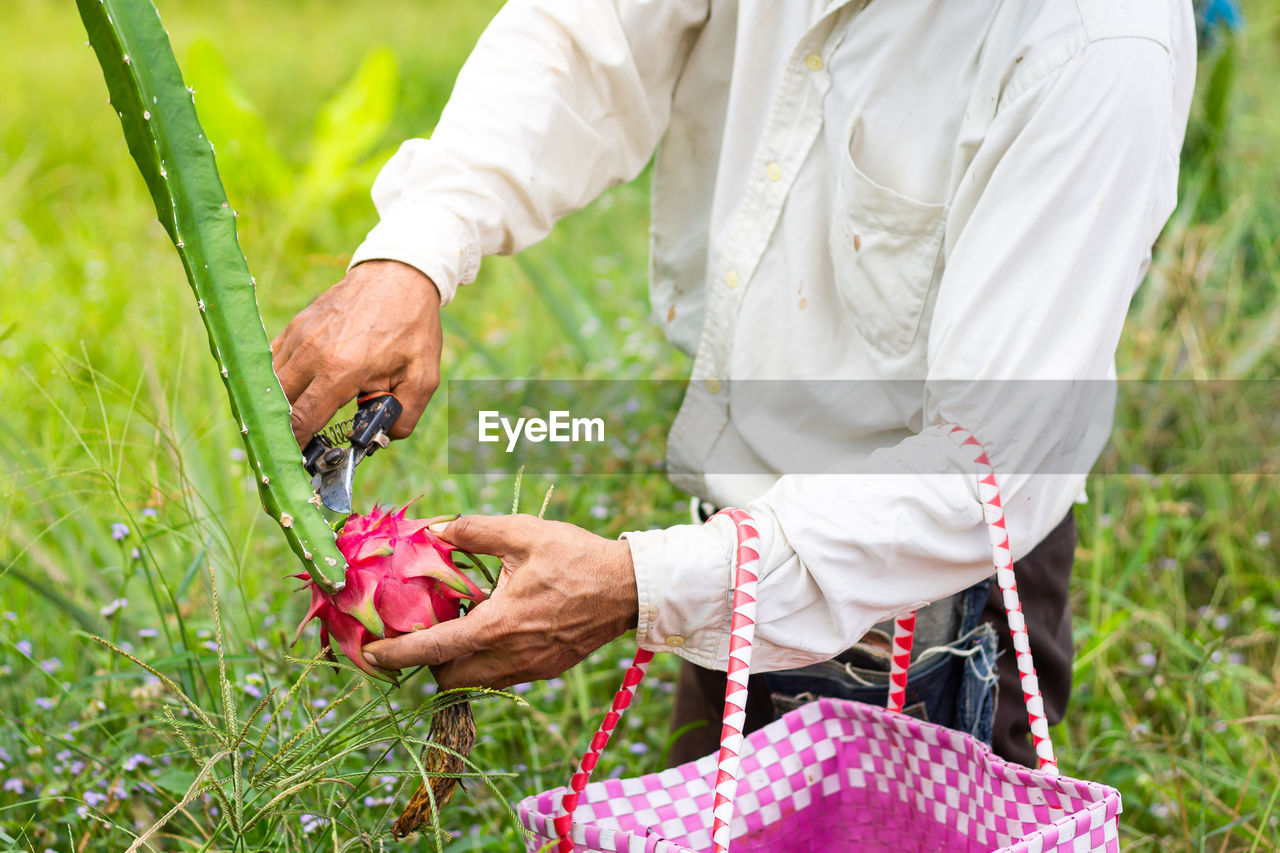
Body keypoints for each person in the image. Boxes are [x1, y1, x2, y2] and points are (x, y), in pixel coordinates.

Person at [271, 0, 1195, 767]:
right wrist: (415, 254)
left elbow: (986, 470)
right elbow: (586, 40)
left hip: (927, 595)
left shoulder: (1094, 43)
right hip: (725, 542)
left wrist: (632, 585)